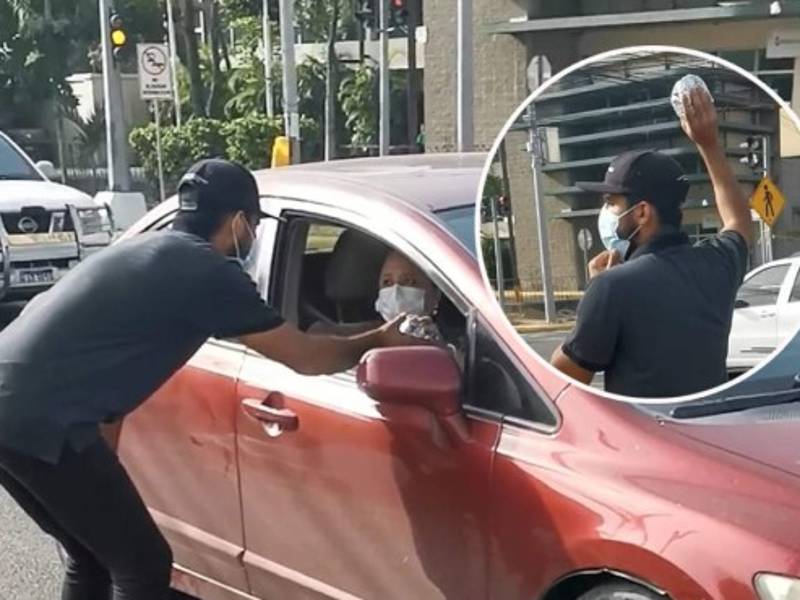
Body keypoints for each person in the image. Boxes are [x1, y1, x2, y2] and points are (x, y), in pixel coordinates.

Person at [0, 158, 418, 600]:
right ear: (239, 221)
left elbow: (103, 379)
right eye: (254, 225)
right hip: (44, 420)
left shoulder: (148, 250)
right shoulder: (207, 271)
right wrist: (381, 339)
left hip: (14, 402)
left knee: (92, 556)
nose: (253, 236)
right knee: (143, 566)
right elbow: (305, 359)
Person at [551, 87, 752, 398]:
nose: (606, 212)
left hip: (644, 441)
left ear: (642, 212)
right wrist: (709, 144)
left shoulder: (611, 287)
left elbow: (565, 379)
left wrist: (594, 295)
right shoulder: (718, 264)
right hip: (707, 433)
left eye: (611, 202)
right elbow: (739, 221)